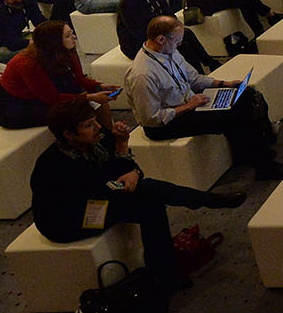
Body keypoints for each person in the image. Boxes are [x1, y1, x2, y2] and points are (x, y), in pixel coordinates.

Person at [32, 98, 243, 293]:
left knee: (151, 205)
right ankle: (203, 201)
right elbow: (104, 188)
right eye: (89, 125)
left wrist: (124, 150)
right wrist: (130, 174)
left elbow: (126, 173)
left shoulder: (97, 140)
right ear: (68, 135)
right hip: (68, 220)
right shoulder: (52, 165)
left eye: (95, 121)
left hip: (97, 200)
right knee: (148, 197)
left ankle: (165, 272)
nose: (98, 127)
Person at [126, 16, 283, 180]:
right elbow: (151, 118)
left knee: (247, 95)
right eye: (176, 41)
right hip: (167, 123)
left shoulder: (168, 51)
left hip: (189, 102)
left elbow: (194, 78)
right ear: (161, 39)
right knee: (234, 114)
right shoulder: (143, 75)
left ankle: (254, 147)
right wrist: (189, 106)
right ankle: (264, 166)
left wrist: (223, 84)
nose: (179, 45)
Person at [0, 19, 116, 130]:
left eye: (71, 33)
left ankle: (110, 138)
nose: (74, 37)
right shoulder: (27, 63)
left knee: (97, 101)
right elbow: (51, 98)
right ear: (55, 42)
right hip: (14, 107)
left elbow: (79, 78)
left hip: (42, 92)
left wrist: (99, 86)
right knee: (80, 112)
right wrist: (89, 97)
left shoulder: (65, 51)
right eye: (68, 36)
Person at [115, 0, 211, 70]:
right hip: (138, 43)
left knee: (186, 34)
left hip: (160, 34)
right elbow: (139, 32)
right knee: (179, 45)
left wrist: (176, 29)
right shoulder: (128, 3)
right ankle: (197, 72)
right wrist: (168, 36)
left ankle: (209, 63)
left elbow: (169, 15)